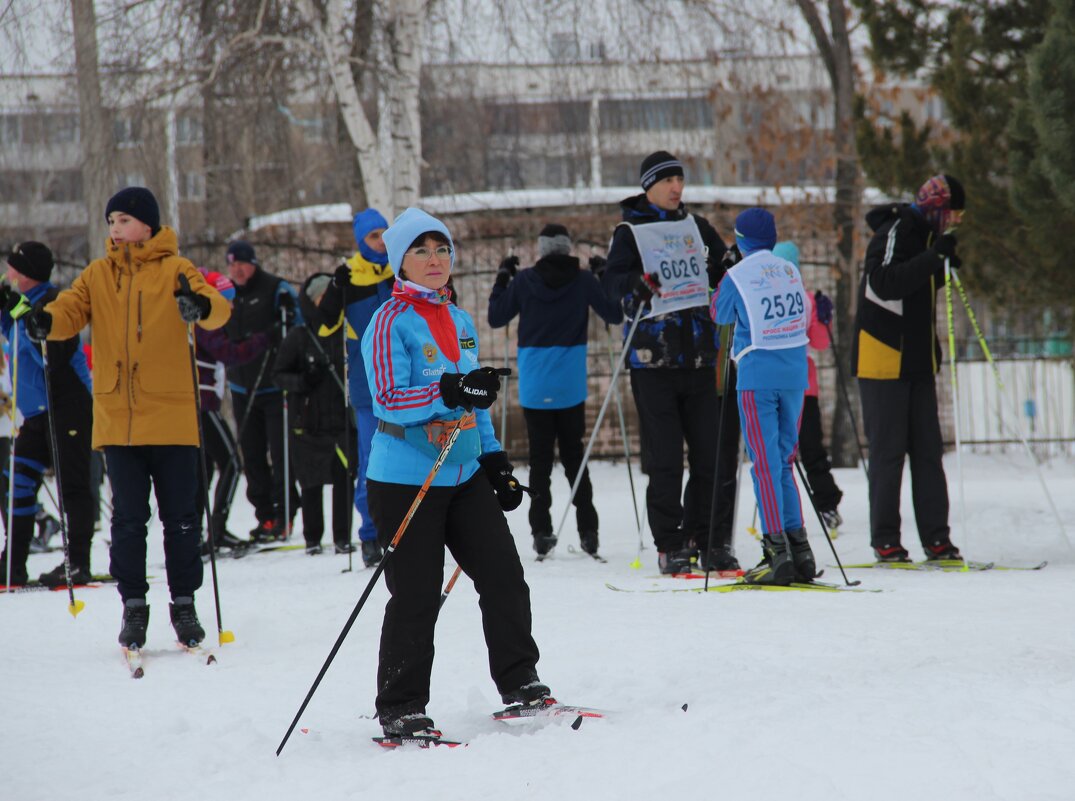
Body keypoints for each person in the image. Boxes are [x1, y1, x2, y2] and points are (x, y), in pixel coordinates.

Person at [360, 207, 552, 739]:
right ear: (400, 261)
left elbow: (476, 402)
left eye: (442, 249)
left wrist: (493, 462)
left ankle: (521, 682)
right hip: (405, 477)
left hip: (462, 472)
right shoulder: (388, 321)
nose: (435, 259)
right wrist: (448, 392)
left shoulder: (460, 321)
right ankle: (401, 707)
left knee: (504, 578)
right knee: (417, 595)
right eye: (421, 250)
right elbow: (391, 398)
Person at [26, 186, 229, 648]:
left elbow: (216, 309)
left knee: (180, 519)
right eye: (110, 222)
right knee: (127, 520)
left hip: (173, 416)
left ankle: (184, 605)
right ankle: (133, 606)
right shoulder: (98, 274)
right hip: (119, 418)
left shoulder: (177, 269)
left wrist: (199, 307)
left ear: (147, 225)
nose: (114, 229)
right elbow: (69, 309)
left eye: (122, 220)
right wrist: (47, 320)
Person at [601, 150, 740, 574]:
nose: (677, 188)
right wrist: (636, 286)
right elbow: (611, 287)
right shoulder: (629, 232)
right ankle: (671, 544)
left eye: (680, 180)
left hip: (700, 356)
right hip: (653, 360)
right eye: (668, 181)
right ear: (649, 186)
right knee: (664, 459)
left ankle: (709, 540)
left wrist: (732, 262)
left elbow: (722, 268)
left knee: (709, 456)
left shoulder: (696, 226)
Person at [487, 223, 623, 556]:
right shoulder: (584, 280)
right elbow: (615, 313)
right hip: (570, 383)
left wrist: (503, 277)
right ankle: (588, 531)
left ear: (543, 248)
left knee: (539, 461)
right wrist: (605, 274)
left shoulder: (524, 281)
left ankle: (541, 532)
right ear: (566, 247)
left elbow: (494, 317)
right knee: (575, 456)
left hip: (535, 384)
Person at [851, 174, 965, 563]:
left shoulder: (926, 238)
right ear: (935, 209)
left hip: (917, 362)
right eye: (951, 215)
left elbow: (915, 287)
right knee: (888, 453)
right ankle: (885, 539)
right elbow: (884, 282)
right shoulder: (896, 230)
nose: (953, 223)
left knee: (928, 451)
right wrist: (933, 259)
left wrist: (941, 268)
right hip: (883, 359)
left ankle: (937, 538)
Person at [712, 209, 813, 585]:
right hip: (794, 372)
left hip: (757, 374)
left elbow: (718, 314)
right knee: (784, 460)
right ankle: (799, 547)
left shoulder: (736, 275)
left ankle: (776, 551)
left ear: (739, 241)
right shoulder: (789, 269)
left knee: (764, 464)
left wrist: (721, 278)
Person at [0, 242, 95, 587]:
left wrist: (24, 317)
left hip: (67, 405)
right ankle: (12, 564)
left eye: (13, 269)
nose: (8, 274)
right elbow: (15, 345)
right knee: (20, 485)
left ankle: (79, 561)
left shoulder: (54, 303)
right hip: (36, 414)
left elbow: (49, 355)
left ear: (26, 274)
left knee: (73, 484)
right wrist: (5, 314)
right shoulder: (23, 304)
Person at [317, 209, 394, 566]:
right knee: (370, 460)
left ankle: (404, 527)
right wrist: (336, 288)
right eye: (372, 235)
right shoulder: (350, 275)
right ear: (361, 240)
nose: (380, 241)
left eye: (384, 233)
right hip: (367, 386)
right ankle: (369, 533)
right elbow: (324, 327)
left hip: (405, 382)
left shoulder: (401, 269)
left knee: (408, 457)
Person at [223, 240, 302, 542]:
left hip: (273, 386)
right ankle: (265, 516)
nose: (237, 270)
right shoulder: (229, 293)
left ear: (253, 263)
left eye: (241, 263)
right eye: (231, 264)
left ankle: (285, 514)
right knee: (252, 457)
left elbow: (296, 324)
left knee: (279, 453)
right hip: (242, 387)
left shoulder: (275, 288)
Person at [274, 273, 354, 556]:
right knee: (311, 482)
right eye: (320, 299)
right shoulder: (299, 336)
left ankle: (343, 537)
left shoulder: (347, 332)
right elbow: (279, 375)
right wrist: (303, 380)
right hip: (307, 423)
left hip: (341, 421)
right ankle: (312, 539)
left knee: (344, 480)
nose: (325, 304)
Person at [192, 268, 269, 554]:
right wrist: (262, 340)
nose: (232, 307)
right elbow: (228, 353)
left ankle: (197, 534)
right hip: (202, 404)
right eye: (228, 300)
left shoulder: (202, 319)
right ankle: (217, 530)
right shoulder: (204, 321)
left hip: (201, 402)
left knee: (204, 470)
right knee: (232, 464)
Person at [771, 241, 843, 531]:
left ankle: (826, 503)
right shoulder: (767, 296)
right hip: (778, 385)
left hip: (801, 388)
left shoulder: (807, 299)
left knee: (810, 449)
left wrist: (825, 320)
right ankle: (781, 506)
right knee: (781, 450)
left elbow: (820, 342)